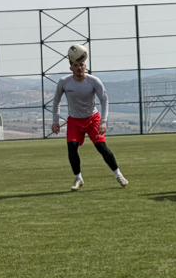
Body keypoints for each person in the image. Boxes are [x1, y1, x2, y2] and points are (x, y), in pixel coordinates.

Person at [51, 45, 129, 191]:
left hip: (93, 119)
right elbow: (56, 102)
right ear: (71, 68)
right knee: (72, 148)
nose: (79, 68)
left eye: (81, 65)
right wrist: (55, 121)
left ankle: (119, 175)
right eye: (76, 65)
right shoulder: (64, 82)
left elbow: (104, 100)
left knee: (102, 147)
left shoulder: (94, 81)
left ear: (85, 66)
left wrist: (104, 121)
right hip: (74, 120)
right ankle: (78, 178)